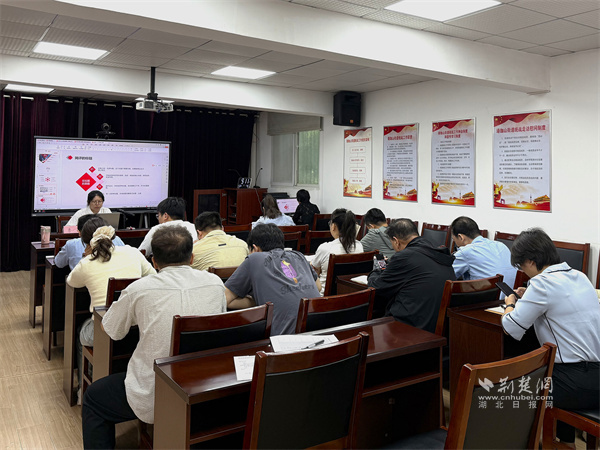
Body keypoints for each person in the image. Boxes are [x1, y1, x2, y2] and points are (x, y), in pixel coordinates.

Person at [82, 226, 227, 449]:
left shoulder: (139, 289)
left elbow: (111, 330)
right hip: (205, 388)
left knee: (93, 399)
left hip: (156, 392)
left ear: (154, 262)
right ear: (191, 258)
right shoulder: (216, 283)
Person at [501, 228, 600, 445]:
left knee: (511, 389)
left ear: (530, 260)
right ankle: (566, 442)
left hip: (574, 383)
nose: (524, 271)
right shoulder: (580, 276)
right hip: (596, 376)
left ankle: (529, 443)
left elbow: (511, 327)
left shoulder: (541, 283)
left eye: (522, 266)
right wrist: (529, 296)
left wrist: (510, 303)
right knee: (553, 371)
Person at [66, 217, 155, 397]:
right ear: (113, 236)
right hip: (137, 328)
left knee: (82, 331)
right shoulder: (133, 252)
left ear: (86, 243)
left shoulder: (87, 263)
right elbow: (153, 277)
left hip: (105, 330)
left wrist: (85, 257)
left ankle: (85, 391)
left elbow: (71, 281)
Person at [224, 224, 321, 335]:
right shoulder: (299, 255)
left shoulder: (254, 259)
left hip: (284, 341)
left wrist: (261, 299)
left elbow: (226, 299)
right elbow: (318, 287)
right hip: (321, 333)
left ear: (255, 248)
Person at [367, 219, 456, 333]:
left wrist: (376, 271)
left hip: (410, 327)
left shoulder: (404, 256)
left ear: (396, 241)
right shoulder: (438, 251)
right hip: (439, 326)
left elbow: (377, 287)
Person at [450, 216, 516, 295]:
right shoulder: (501, 245)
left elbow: (447, 276)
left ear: (461, 237)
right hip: (511, 298)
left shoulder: (465, 252)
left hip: (487, 300)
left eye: (454, 240)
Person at [311, 208, 363, 294]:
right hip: (351, 296)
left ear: (333, 226)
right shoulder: (359, 246)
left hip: (325, 297)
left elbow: (315, 271)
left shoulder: (325, 248)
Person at [55, 214, 124, 270]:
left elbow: (59, 263)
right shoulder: (116, 239)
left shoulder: (71, 244)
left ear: (80, 232)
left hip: (82, 281)